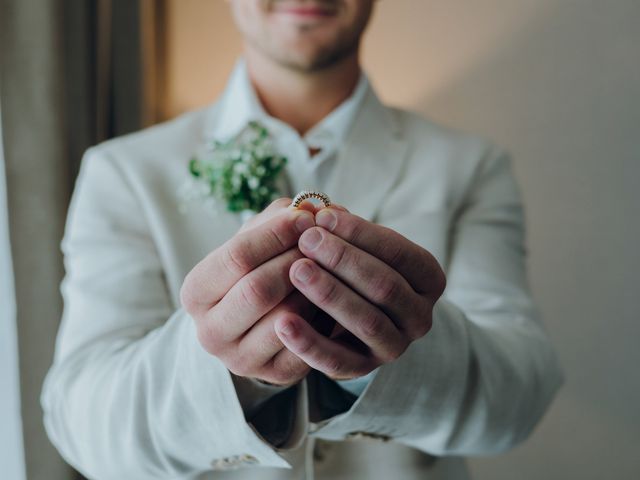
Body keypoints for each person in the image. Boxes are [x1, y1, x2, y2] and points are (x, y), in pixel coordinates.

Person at [41, 1, 563, 479]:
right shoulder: (123, 172)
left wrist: (400, 347)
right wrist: (224, 365)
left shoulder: (471, 168)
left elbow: (519, 398)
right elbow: (84, 427)